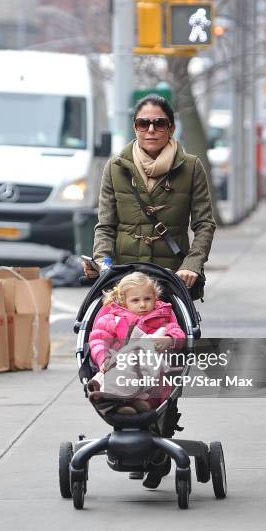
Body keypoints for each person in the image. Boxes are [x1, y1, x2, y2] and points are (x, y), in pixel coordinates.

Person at [82, 94, 216, 293]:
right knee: (107, 323)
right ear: (135, 128)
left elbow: (204, 224)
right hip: (125, 276)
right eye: (143, 123)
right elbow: (106, 226)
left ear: (171, 128)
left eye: (159, 123)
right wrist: (101, 261)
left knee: (172, 325)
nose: (151, 130)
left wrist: (192, 264)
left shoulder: (191, 167)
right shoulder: (115, 167)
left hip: (171, 274)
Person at [87, 272, 185, 415]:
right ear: (123, 301)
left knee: (158, 384)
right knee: (112, 377)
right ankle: (120, 406)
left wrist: (169, 340)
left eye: (147, 299)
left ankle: (141, 403)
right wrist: (104, 358)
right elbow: (98, 340)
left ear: (155, 298)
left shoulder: (162, 319)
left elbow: (178, 334)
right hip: (120, 365)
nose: (143, 304)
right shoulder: (112, 319)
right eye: (135, 300)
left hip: (150, 371)